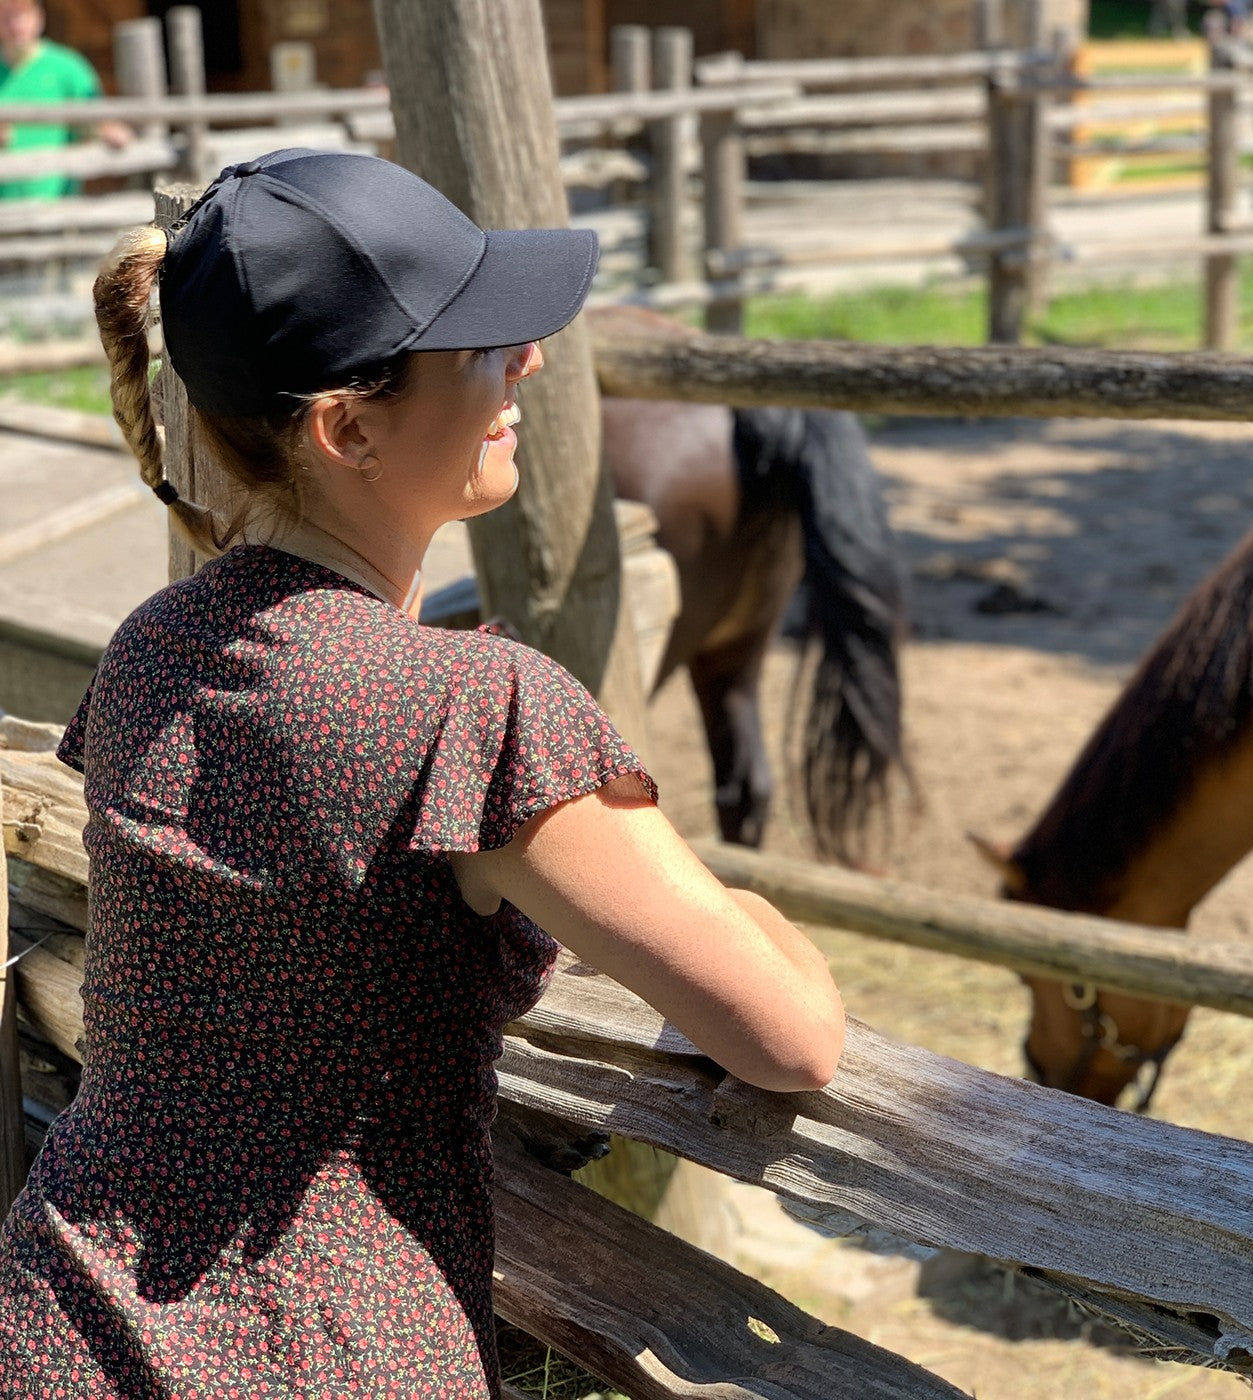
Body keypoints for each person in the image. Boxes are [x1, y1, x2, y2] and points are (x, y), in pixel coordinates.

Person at [0, 148, 846, 1397]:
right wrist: (767, 923)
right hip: (325, 1352)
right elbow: (789, 1038)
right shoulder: (473, 709)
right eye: (479, 347)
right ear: (345, 425)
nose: (530, 364)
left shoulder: (153, 649)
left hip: (58, 1321)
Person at [0, 0, 132, 199]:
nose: (16, 24)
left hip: (57, 203)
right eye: (6, 16)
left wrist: (108, 130)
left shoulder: (68, 68)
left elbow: (95, 119)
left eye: (22, 15)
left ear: (39, 17)